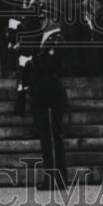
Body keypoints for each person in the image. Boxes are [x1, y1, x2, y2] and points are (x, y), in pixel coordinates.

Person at [23, 26, 70, 191]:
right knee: (47, 140)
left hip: (49, 97)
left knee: (52, 140)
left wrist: (29, 63)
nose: (42, 20)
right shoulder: (47, 40)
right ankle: (52, 177)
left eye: (45, 15)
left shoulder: (56, 40)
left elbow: (49, 64)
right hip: (43, 97)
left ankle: (57, 179)